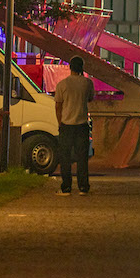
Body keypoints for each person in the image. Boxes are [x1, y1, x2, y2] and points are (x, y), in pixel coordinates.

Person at [54, 55, 96, 196]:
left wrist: (60, 122)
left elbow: (58, 106)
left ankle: (66, 187)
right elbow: (90, 98)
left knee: (65, 157)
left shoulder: (63, 84)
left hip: (66, 124)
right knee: (82, 158)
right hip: (82, 124)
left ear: (70, 67)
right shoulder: (87, 83)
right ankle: (83, 187)